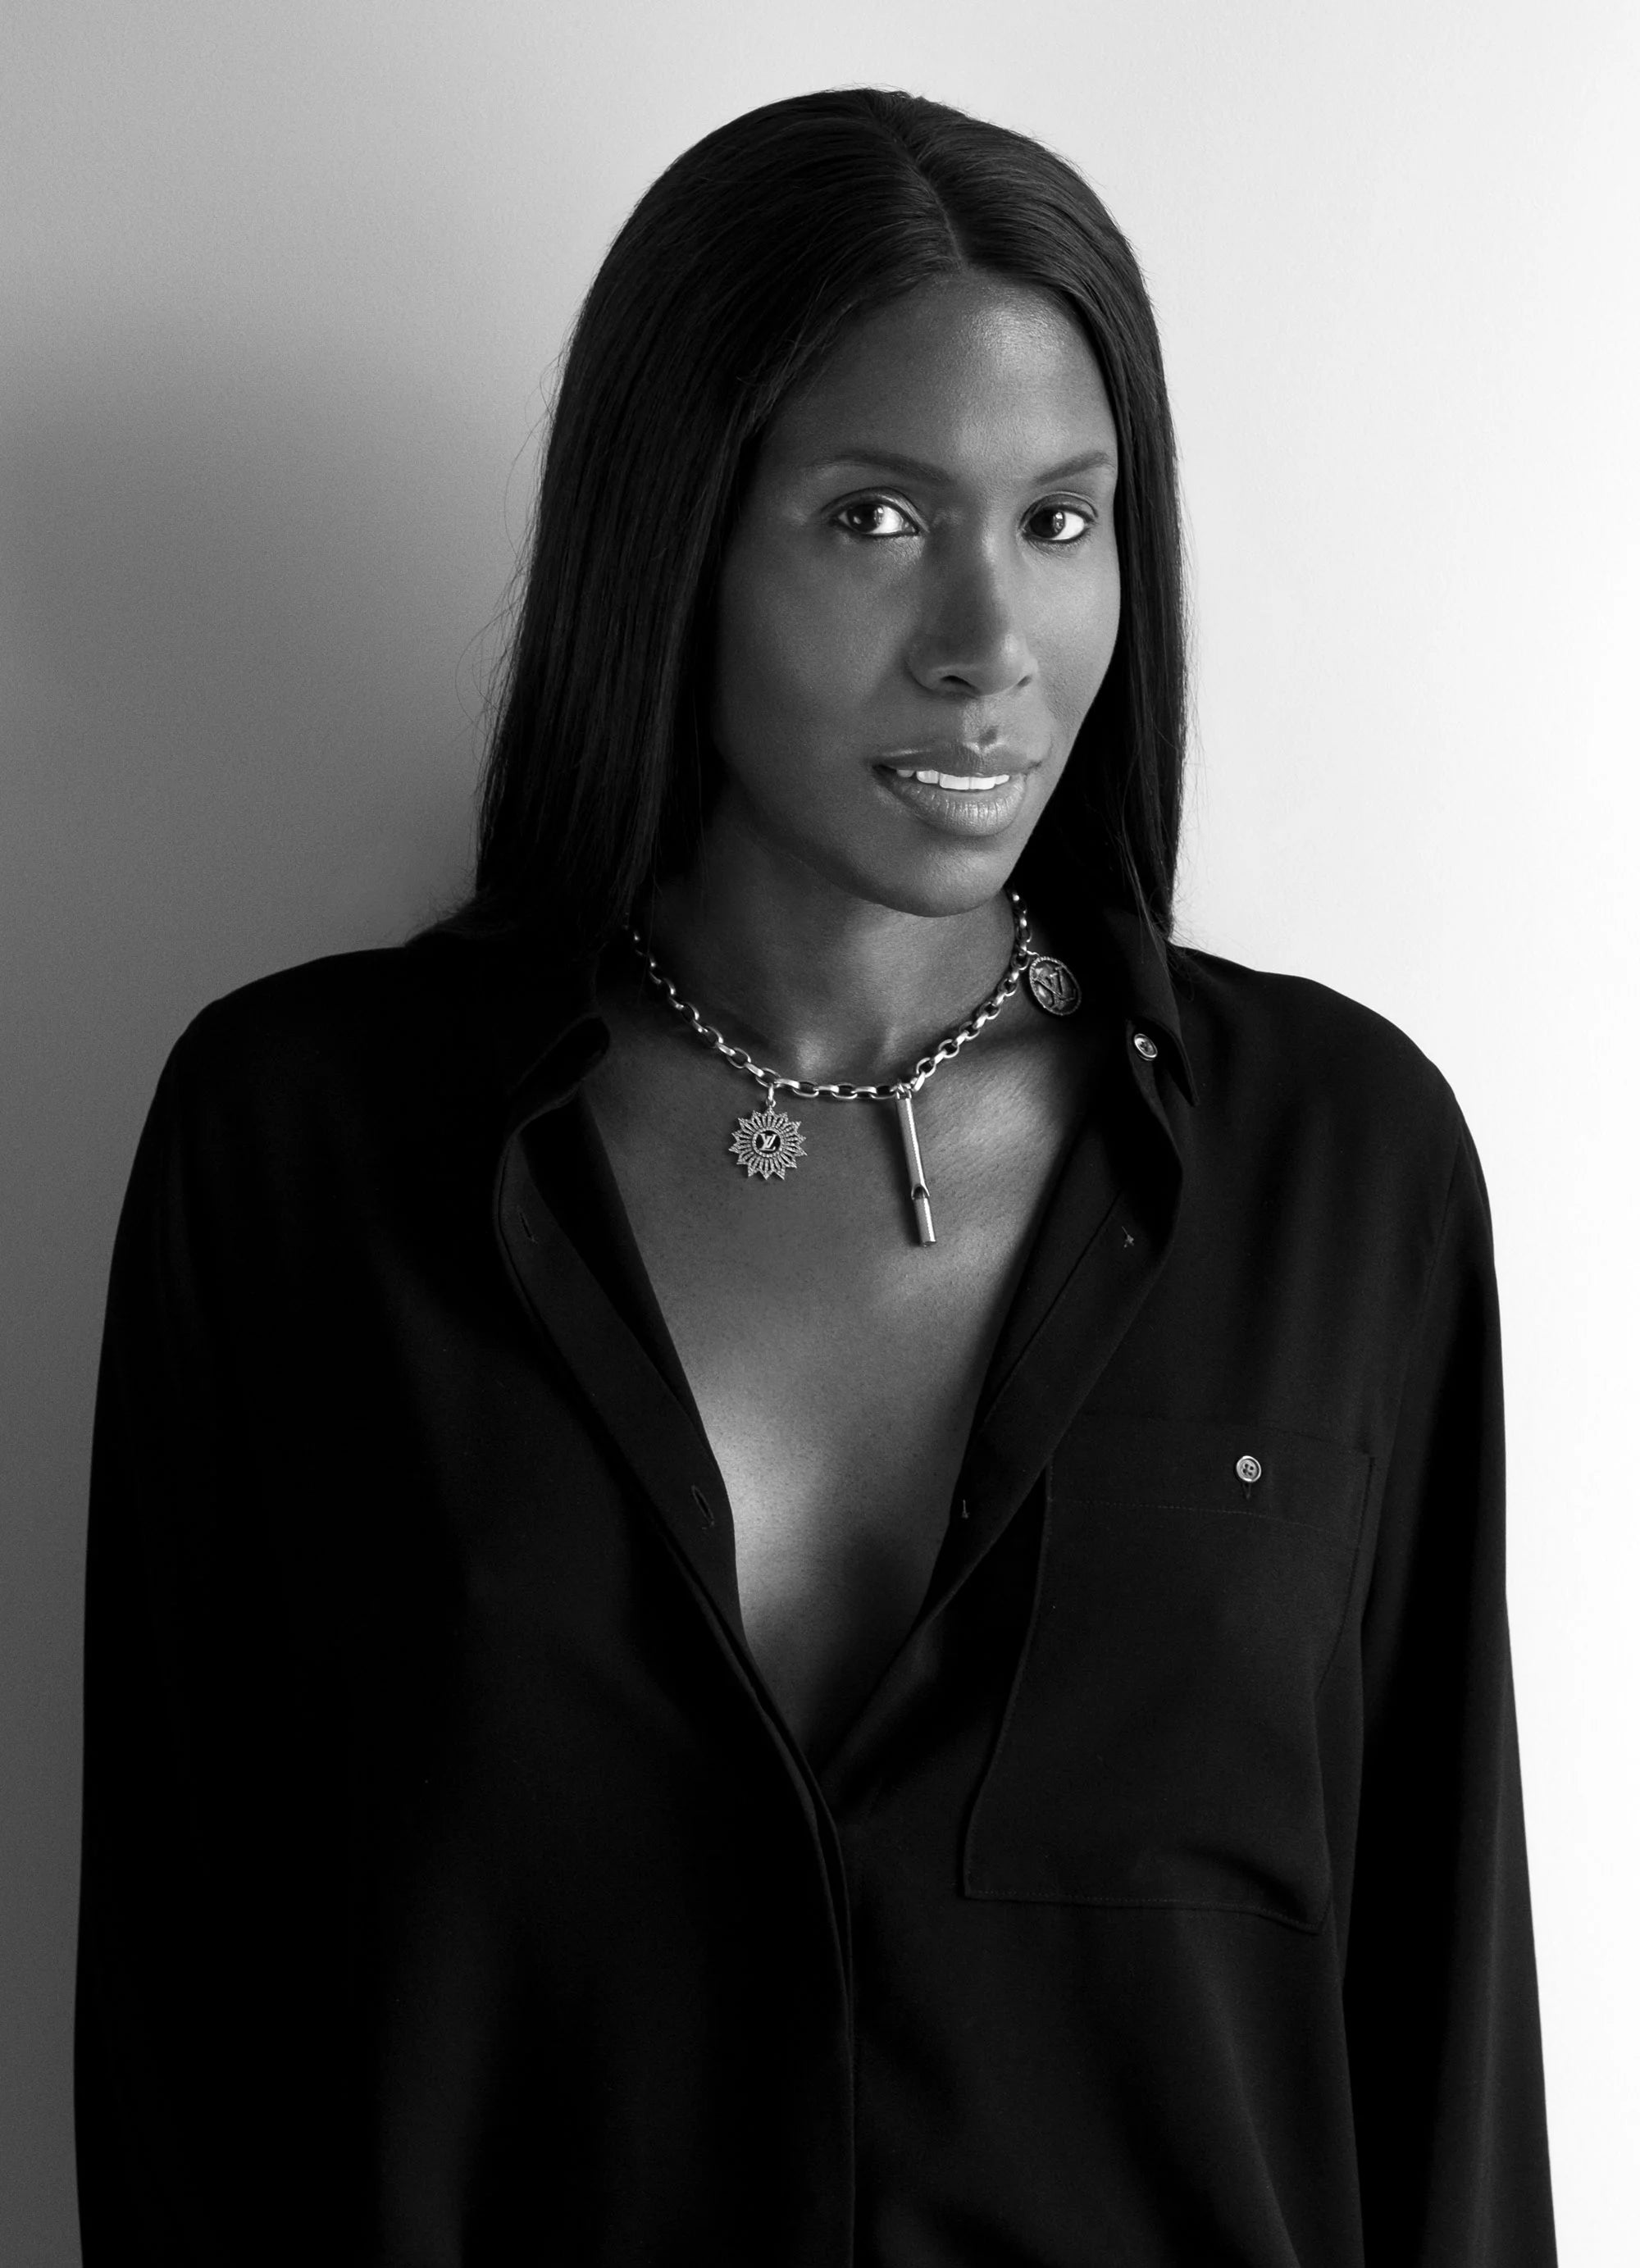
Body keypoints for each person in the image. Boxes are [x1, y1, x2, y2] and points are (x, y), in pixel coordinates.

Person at [76, 87, 1556, 2266]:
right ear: (675, 539)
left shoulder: (1343, 1165)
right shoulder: (299, 1151)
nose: (991, 640)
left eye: (1063, 520)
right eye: (875, 518)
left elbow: (1446, 2035)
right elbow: (189, 2040)